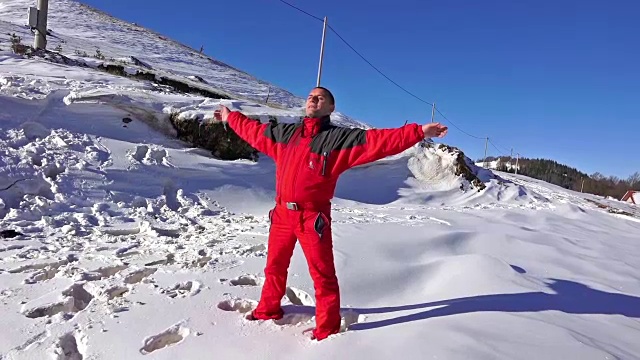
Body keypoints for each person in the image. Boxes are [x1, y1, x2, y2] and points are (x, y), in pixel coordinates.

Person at [214, 87, 448, 340]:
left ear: (331, 108)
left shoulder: (339, 139)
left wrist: (418, 132)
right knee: (274, 267)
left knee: (322, 275)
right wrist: (230, 117)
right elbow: (254, 131)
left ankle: (327, 327)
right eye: (310, 97)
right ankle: (268, 310)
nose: (313, 100)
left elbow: (380, 140)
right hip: (282, 214)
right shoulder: (286, 134)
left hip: (312, 218)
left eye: (320, 98)